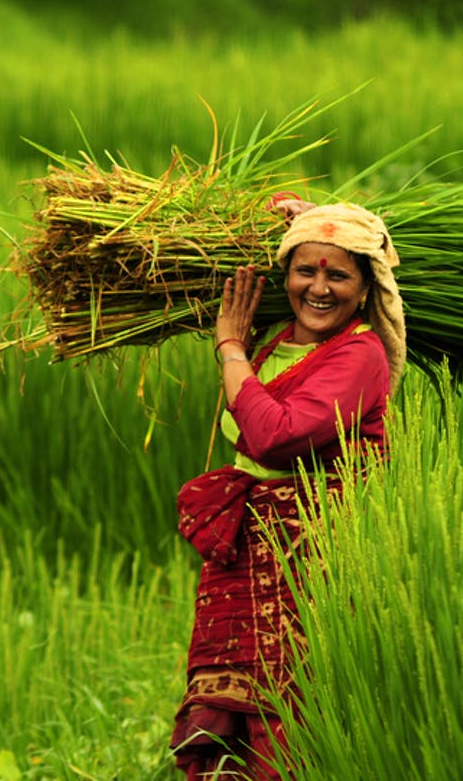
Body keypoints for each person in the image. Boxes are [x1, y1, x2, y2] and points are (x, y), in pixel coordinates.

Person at [169, 200, 407, 780]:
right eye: (306, 270)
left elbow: (275, 437)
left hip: (307, 570)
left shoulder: (360, 355)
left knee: (292, 730)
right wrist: (304, 220)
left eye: (338, 274)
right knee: (232, 742)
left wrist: (230, 349)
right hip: (245, 566)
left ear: (365, 286)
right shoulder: (276, 345)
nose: (319, 288)